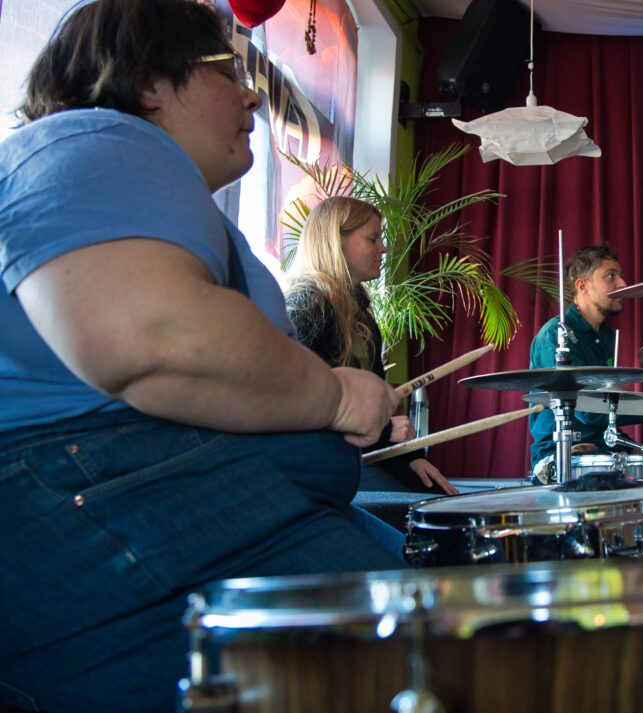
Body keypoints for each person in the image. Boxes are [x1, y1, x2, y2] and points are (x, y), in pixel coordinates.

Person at [0, 2, 406, 711]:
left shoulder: (137, 175)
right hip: (95, 491)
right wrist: (338, 396)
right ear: (152, 82)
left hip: (205, 499)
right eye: (229, 70)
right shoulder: (97, 138)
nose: (252, 94)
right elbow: (153, 338)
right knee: (434, 659)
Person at [285, 196, 457, 494]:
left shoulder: (358, 310)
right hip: (320, 462)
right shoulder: (306, 306)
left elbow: (378, 400)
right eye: (373, 238)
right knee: (414, 516)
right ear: (335, 242)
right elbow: (302, 406)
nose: (384, 248)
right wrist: (387, 431)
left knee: (437, 496)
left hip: (358, 453)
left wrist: (409, 456)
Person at [528, 245, 643, 480]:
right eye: (610, 276)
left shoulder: (605, 336)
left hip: (602, 444)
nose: (623, 284)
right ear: (582, 285)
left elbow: (607, 412)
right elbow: (588, 409)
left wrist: (635, 446)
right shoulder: (557, 333)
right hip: (561, 451)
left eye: (621, 275)